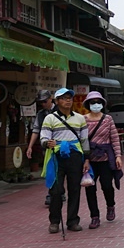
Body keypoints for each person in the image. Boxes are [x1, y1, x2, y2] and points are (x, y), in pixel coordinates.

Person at [40, 88, 90, 234]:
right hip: (56, 156)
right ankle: (54, 221)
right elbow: (44, 136)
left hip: (75, 156)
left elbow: (85, 140)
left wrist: (86, 159)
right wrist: (47, 143)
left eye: (69, 98)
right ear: (56, 101)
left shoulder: (80, 118)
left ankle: (73, 221)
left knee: (74, 189)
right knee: (56, 191)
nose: (68, 100)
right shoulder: (50, 118)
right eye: (63, 98)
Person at [82, 91, 122, 229]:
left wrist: (118, 156)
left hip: (105, 158)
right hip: (89, 159)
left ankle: (110, 206)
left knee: (107, 186)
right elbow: (82, 140)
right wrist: (85, 159)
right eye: (92, 102)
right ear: (88, 104)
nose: (96, 105)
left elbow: (114, 138)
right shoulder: (83, 119)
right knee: (90, 188)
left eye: (98, 102)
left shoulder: (108, 119)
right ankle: (94, 216)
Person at [26, 89, 55, 206]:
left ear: (51, 99)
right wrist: (30, 146)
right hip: (47, 146)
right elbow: (36, 130)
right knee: (50, 169)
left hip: (60, 145)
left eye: (45, 101)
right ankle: (52, 192)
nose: (43, 104)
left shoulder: (60, 110)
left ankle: (56, 192)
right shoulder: (41, 114)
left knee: (58, 169)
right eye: (41, 102)